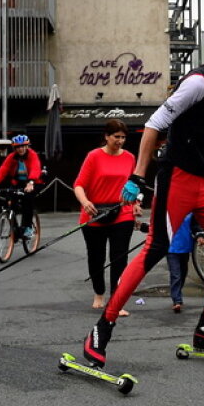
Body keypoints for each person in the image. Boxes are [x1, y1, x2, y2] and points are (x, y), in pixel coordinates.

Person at [82, 16, 204, 367]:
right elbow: (153, 126)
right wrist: (136, 178)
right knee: (154, 250)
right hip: (176, 178)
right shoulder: (197, 83)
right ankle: (102, 329)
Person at [74, 119, 142, 315]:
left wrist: (136, 203)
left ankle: (116, 300)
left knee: (119, 258)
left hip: (121, 212)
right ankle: (99, 293)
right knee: (96, 258)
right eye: (116, 137)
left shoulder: (129, 157)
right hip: (94, 213)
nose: (120, 141)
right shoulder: (94, 156)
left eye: (123, 137)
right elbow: (78, 185)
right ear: (106, 136)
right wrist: (85, 202)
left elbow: (133, 186)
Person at [0, 134, 43, 240]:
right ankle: (15, 229)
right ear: (15, 148)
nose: (20, 149)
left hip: (33, 182)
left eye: (23, 146)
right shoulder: (12, 157)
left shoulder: (32, 155)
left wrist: (31, 182)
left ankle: (28, 228)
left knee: (27, 200)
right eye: (18, 147)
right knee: (9, 201)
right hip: (18, 183)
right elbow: (3, 169)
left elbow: (36, 167)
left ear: (27, 146)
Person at [167, 213, 194, 313]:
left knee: (183, 273)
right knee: (176, 274)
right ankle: (177, 300)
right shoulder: (167, 212)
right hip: (171, 248)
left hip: (185, 247)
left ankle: (177, 292)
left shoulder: (190, 212)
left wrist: (200, 235)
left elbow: (195, 225)